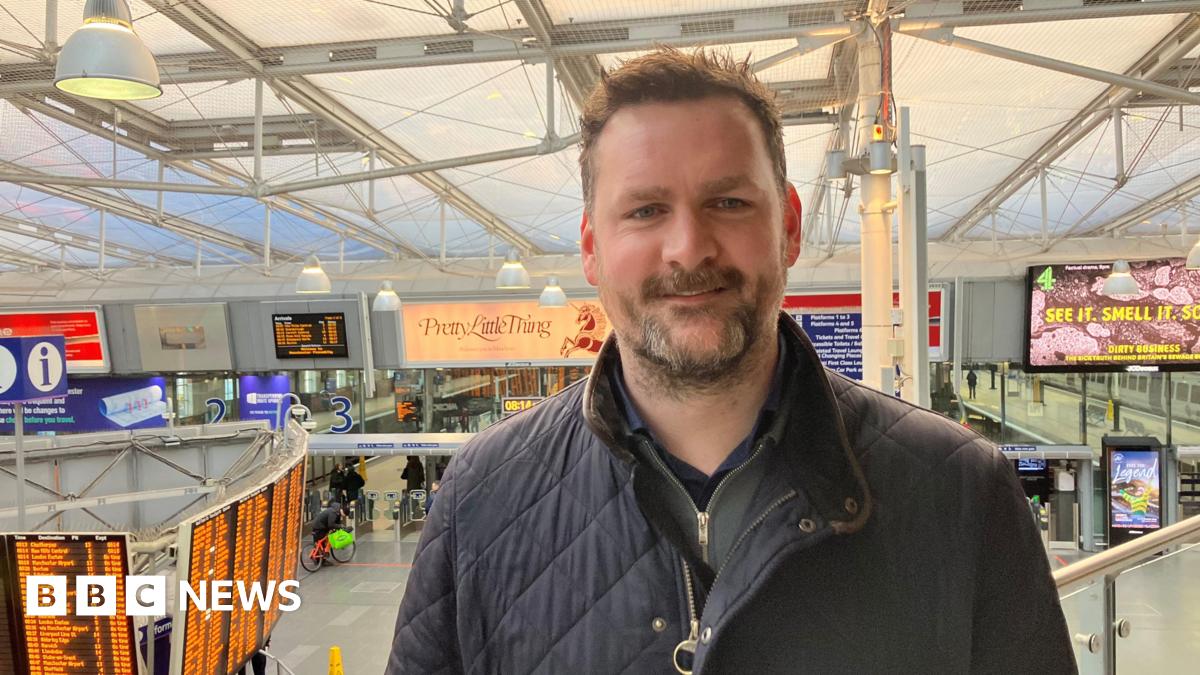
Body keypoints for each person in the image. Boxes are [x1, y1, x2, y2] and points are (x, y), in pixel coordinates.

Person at [388, 49, 1074, 673]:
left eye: (728, 202)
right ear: (592, 248)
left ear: (789, 227)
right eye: (647, 209)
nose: (689, 248)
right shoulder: (481, 498)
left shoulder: (961, 491)